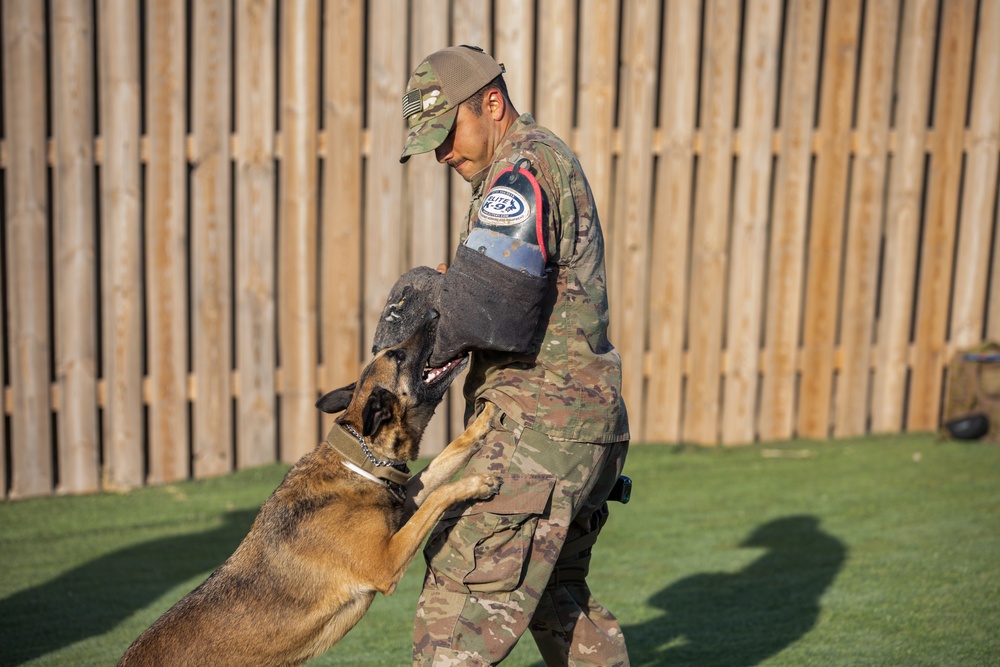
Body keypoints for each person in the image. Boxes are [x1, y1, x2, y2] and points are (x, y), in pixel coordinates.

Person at [399, 45, 630, 667]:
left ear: (492, 103)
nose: (444, 154)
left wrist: (409, 356)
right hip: (583, 429)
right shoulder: (536, 163)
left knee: (456, 608)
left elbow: (486, 314)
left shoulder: (520, 170)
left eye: (448, 133)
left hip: (541, 429)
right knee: (557, 603)